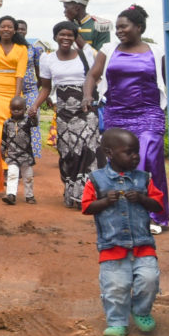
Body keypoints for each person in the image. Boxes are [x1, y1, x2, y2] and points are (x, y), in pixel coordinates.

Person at [85, 4, 169, 230]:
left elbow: (168, 81)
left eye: (124, 27)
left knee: (147, 159)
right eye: (118, 28)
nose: (119, 31)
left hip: (148, 112)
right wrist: (87, 96)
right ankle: (122, 213)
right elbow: (92, 75)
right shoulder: (108, 50)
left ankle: (155, 214)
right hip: (117, 113)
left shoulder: (157, 51)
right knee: (120, 162)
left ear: (139, 27)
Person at [83, 129, 166, 336]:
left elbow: (158, 206)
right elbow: (86, 207)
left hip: (143, 243)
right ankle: (117, 321)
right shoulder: (96, 180)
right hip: (113, 246)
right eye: (129, 152)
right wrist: (104, 202)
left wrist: (142, 199)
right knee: (116, 287)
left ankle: (141, 310)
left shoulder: (144, 179)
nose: (136, 156)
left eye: (136, 152)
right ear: (109, 153)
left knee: (149, 280)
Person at [40, 20, 100, 209]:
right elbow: (46, 88)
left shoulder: (86, 54)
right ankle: (70, 189)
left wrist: (88, 97)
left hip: (85, 110)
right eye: (62, 34)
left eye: (70, 35)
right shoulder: (47, 59)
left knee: (88, 150)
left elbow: (95, 78)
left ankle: (85, 195)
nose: (66, 38)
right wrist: (33, 107)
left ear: (75, 38)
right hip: (64, 112)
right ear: (55, 37)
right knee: (68, 153)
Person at [0, 16, 35, 199]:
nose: (6, 29)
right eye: (3, 26)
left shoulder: (22, 48)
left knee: (15, 129)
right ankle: (2, 168)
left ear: (15, 30)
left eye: (9, 27)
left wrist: (17, 96)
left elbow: (20, 74)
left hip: (13, 91)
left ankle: (12, 166)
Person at [1, 91, 37, 203]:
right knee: (12, 175)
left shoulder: (27, 121)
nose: (16, 111)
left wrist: (34, 116)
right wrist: (2, 148)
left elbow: (35, 123)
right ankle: (11, 195)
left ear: (25, 110)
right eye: (13, 109)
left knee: (28, 177)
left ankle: (29, 196)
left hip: (26, 155)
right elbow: (4, 137)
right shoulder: (7, 123)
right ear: (10, 109)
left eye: (19, 109)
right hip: (12, 155)